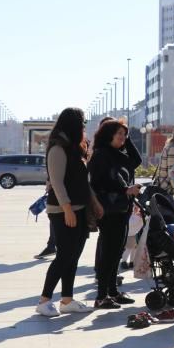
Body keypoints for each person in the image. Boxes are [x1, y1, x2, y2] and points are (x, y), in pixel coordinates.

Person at [36, 108, 101, 317]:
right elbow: (56, 182)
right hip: (62, 210)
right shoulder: (58, 148)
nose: (84, 127)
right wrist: (67, 209)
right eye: (81, 123)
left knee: (73, 256)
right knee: (64, 255)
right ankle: (44, 300)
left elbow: (82, 181)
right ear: (72, 125)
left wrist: (94, 202)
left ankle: (67, 299)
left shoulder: (74, 148)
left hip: (79, 208)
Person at [88, 119, 142, 309]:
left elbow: (137, 161)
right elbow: (98, 183)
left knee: (117, 252)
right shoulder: (101, 155)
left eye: (124, 134)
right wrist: (125, 190)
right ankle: (102, 296)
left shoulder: (119, 154)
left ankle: (112, 292)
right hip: (108, 210)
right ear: (108, 135)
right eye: (118, 134)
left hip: (121, 209)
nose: (122, 138)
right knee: (109, 254)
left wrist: (126, 138)